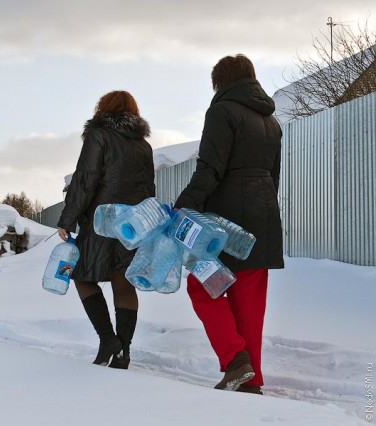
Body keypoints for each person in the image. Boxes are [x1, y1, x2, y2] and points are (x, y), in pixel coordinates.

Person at [174, 54, 284, 394]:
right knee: (249, 300)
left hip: (225, 220)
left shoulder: (222, 111)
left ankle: (236, 361)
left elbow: (210, 169)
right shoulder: (271, 122)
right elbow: (274, 176)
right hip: (263, 216)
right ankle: (251, 380)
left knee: (203, 286)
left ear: (220, 82)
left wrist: (185, 207)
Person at [57, 90, 155, 369]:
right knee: (123, 283)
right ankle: (123, 351)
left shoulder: (98, 135)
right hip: (132, 226)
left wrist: (68, 218)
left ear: (103, 109)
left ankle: (108, 340)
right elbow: (149, 189)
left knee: (81, 276)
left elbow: (85, 180)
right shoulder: (143, 146)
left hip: (102, 221)